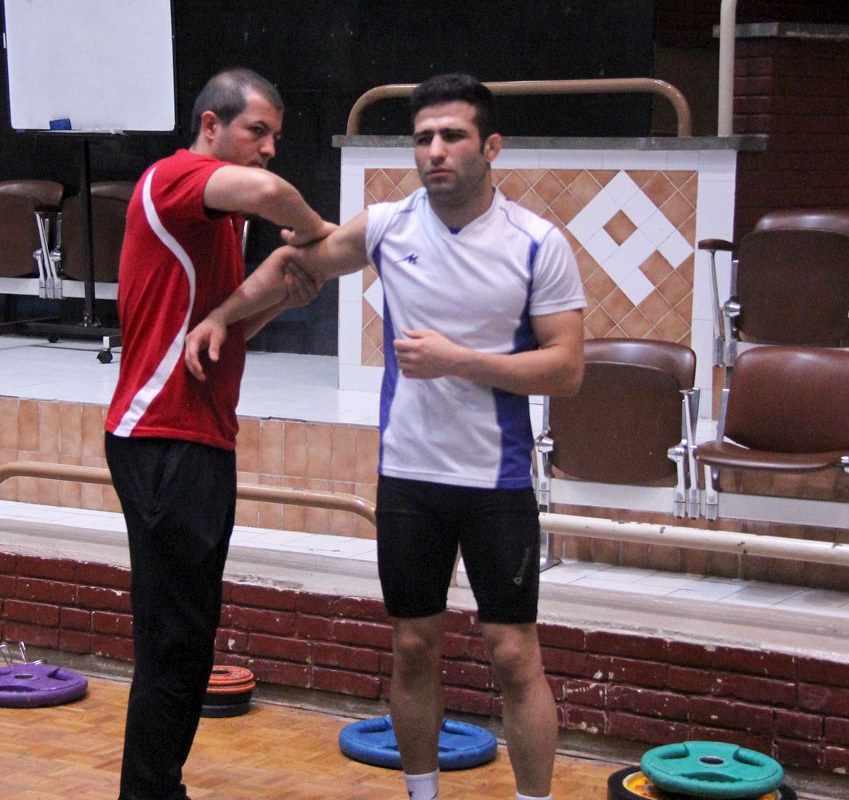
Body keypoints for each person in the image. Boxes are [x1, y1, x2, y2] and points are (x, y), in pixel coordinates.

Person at [184, 73, 586, 800]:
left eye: (453, 136)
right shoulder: (387, 225)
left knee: (513, 654)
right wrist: (222, 316)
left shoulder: (537, 243)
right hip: (408, 479)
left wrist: (460, 361)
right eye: (424, 138)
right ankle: (421, 794)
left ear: (492, 146)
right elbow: (297, 264)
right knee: (413, 645)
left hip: (496, 482)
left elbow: (567, 369)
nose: (436, 151)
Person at [104, 67, 333, 800]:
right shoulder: (176, 177)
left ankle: (154, 788)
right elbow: (272, 194)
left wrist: (273, 300)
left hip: (197, 439)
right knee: (175, 645)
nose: (268, 148)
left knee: (185, 642)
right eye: (256, 131)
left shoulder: (217, 224)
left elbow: (213, 338)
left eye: (276, 136)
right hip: (163, 438)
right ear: (211, 127)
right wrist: (318, 234)